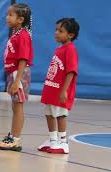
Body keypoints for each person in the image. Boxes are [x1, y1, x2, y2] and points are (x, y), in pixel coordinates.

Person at [0, 3, 33, 152]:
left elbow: (23, 59)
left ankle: (15, 140)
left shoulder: (23, 35)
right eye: (7, 14)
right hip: (14, 73)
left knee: (18, 106)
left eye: (11, 15)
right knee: (15, 106)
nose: (7, 17)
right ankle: (12, 136)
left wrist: (17, 81)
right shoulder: (16, 34)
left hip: (19, 73)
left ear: (20, 19)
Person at [38, 18, 80, 154]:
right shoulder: (59, 49)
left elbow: (71, 72)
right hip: (51, 89)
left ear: (70, 35)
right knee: (49, 114)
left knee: (60, 115)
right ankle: (53, 140)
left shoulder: (70, 50)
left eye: (60, 31)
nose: (56, 33)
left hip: (60, 91)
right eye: (56, 30)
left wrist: (64, 90)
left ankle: (63, 142)